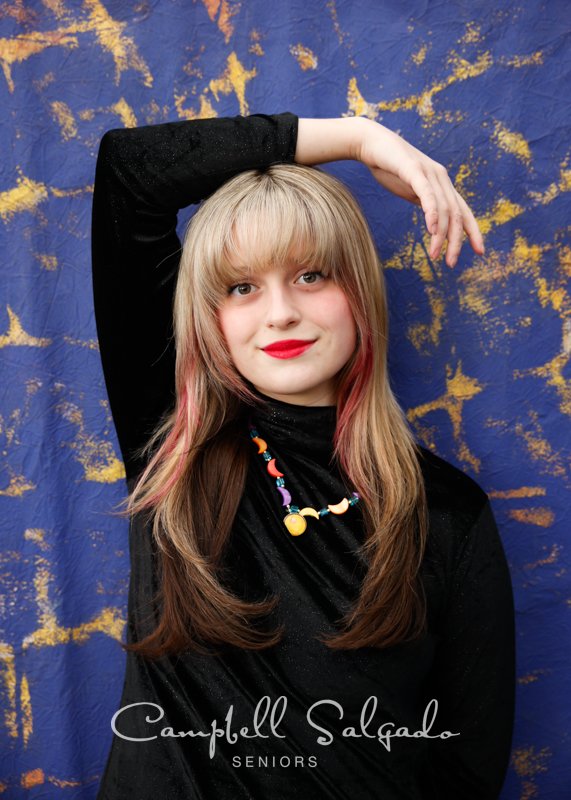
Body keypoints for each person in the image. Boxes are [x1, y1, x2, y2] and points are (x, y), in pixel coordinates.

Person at [91, 113, 515, 799]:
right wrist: (357, 138)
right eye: (241, 287)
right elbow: (131, 171)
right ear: (210, 316)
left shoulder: (448, 514)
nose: (280, 312)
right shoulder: (177, 442)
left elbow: (464, 770)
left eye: (311, 275)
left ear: (359, 293)